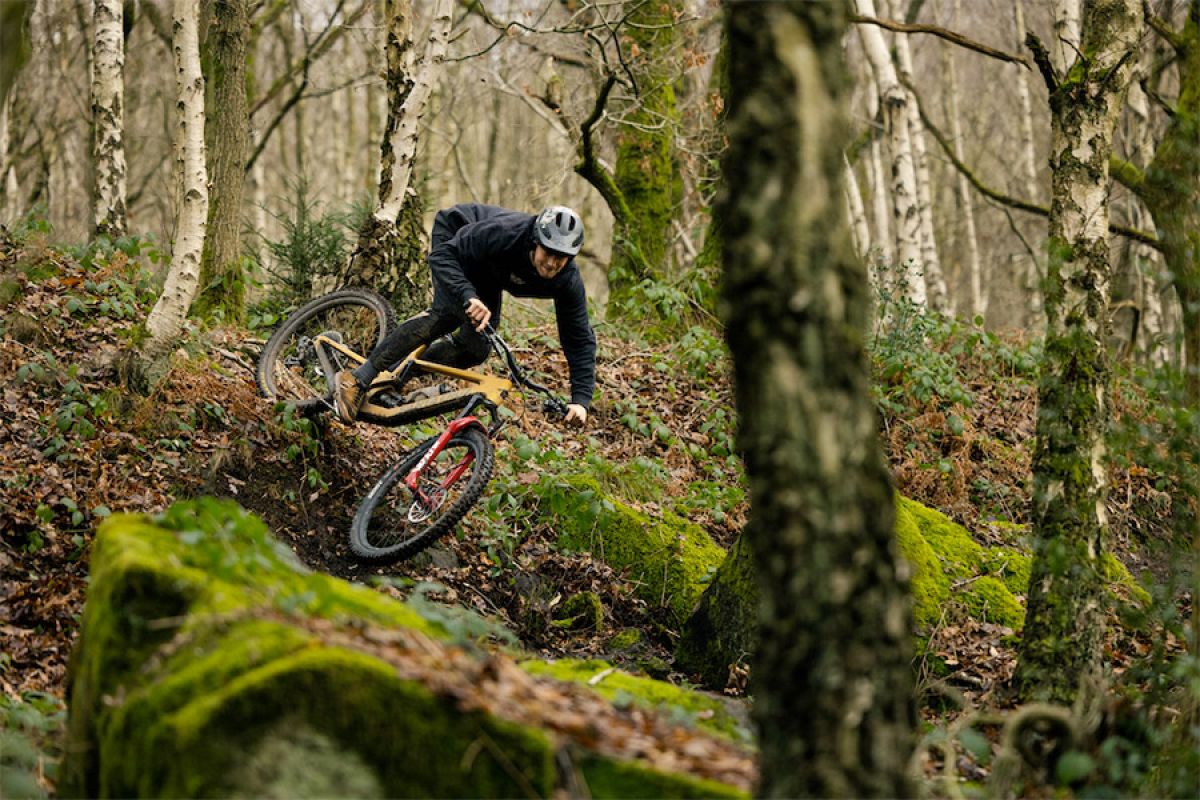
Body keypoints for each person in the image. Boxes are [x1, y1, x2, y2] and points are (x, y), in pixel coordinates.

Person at [334, 203, 596, 426]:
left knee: (476, 348)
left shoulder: (568, 281)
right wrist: (467, 295)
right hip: (456, 240)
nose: (551, 263)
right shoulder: (505, 234)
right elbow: (442, 255)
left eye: (561, 258)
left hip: (488, 270)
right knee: (447, 314)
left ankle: (396, 374)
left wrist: (580, 400)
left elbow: (578, 337)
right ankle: (358, 378)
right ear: (535, 242)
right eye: (548, 253)